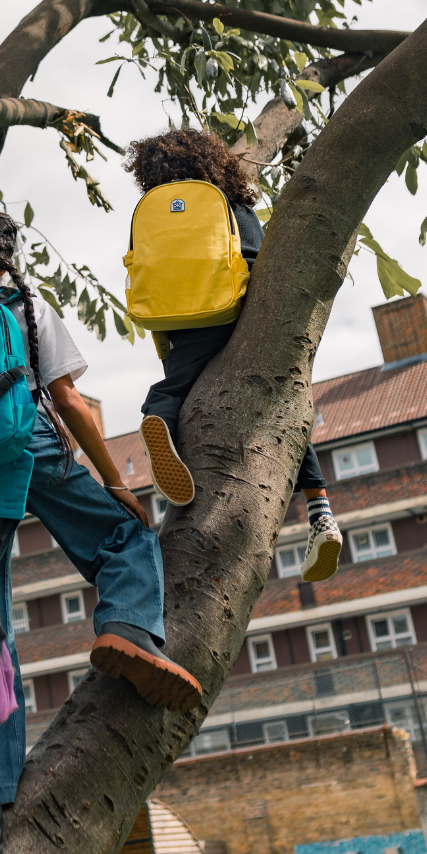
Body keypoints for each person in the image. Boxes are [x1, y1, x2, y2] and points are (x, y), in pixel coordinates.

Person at [0, 206, 202, 809]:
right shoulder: (24, 304)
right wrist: (115, 482)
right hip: (28, 446)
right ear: (9, 256)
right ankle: (127, 627)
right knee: (125, 538)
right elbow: (68, 398)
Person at [125, 128, 342, 582]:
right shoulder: (230, 205)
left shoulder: (151, 212)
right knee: (286, 406)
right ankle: (320, 509)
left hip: (171, 319)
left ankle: (160, 417)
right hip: (229, 310)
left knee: (175, 386)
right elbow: (259, 257)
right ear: (213, 163)